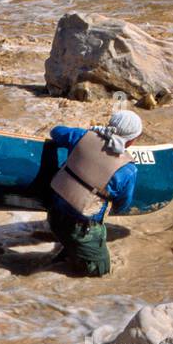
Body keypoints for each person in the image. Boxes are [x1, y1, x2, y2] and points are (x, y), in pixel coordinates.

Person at [44, 109, 142, 277]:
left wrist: (93, 131)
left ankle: (71, 252)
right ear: (132, 141)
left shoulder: (81, 136)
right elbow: (122, 205)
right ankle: (77, 255)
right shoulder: (128, 169)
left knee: (72, 240)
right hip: (83, 229)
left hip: (54, 215)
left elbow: (56, 131)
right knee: (100, 275)